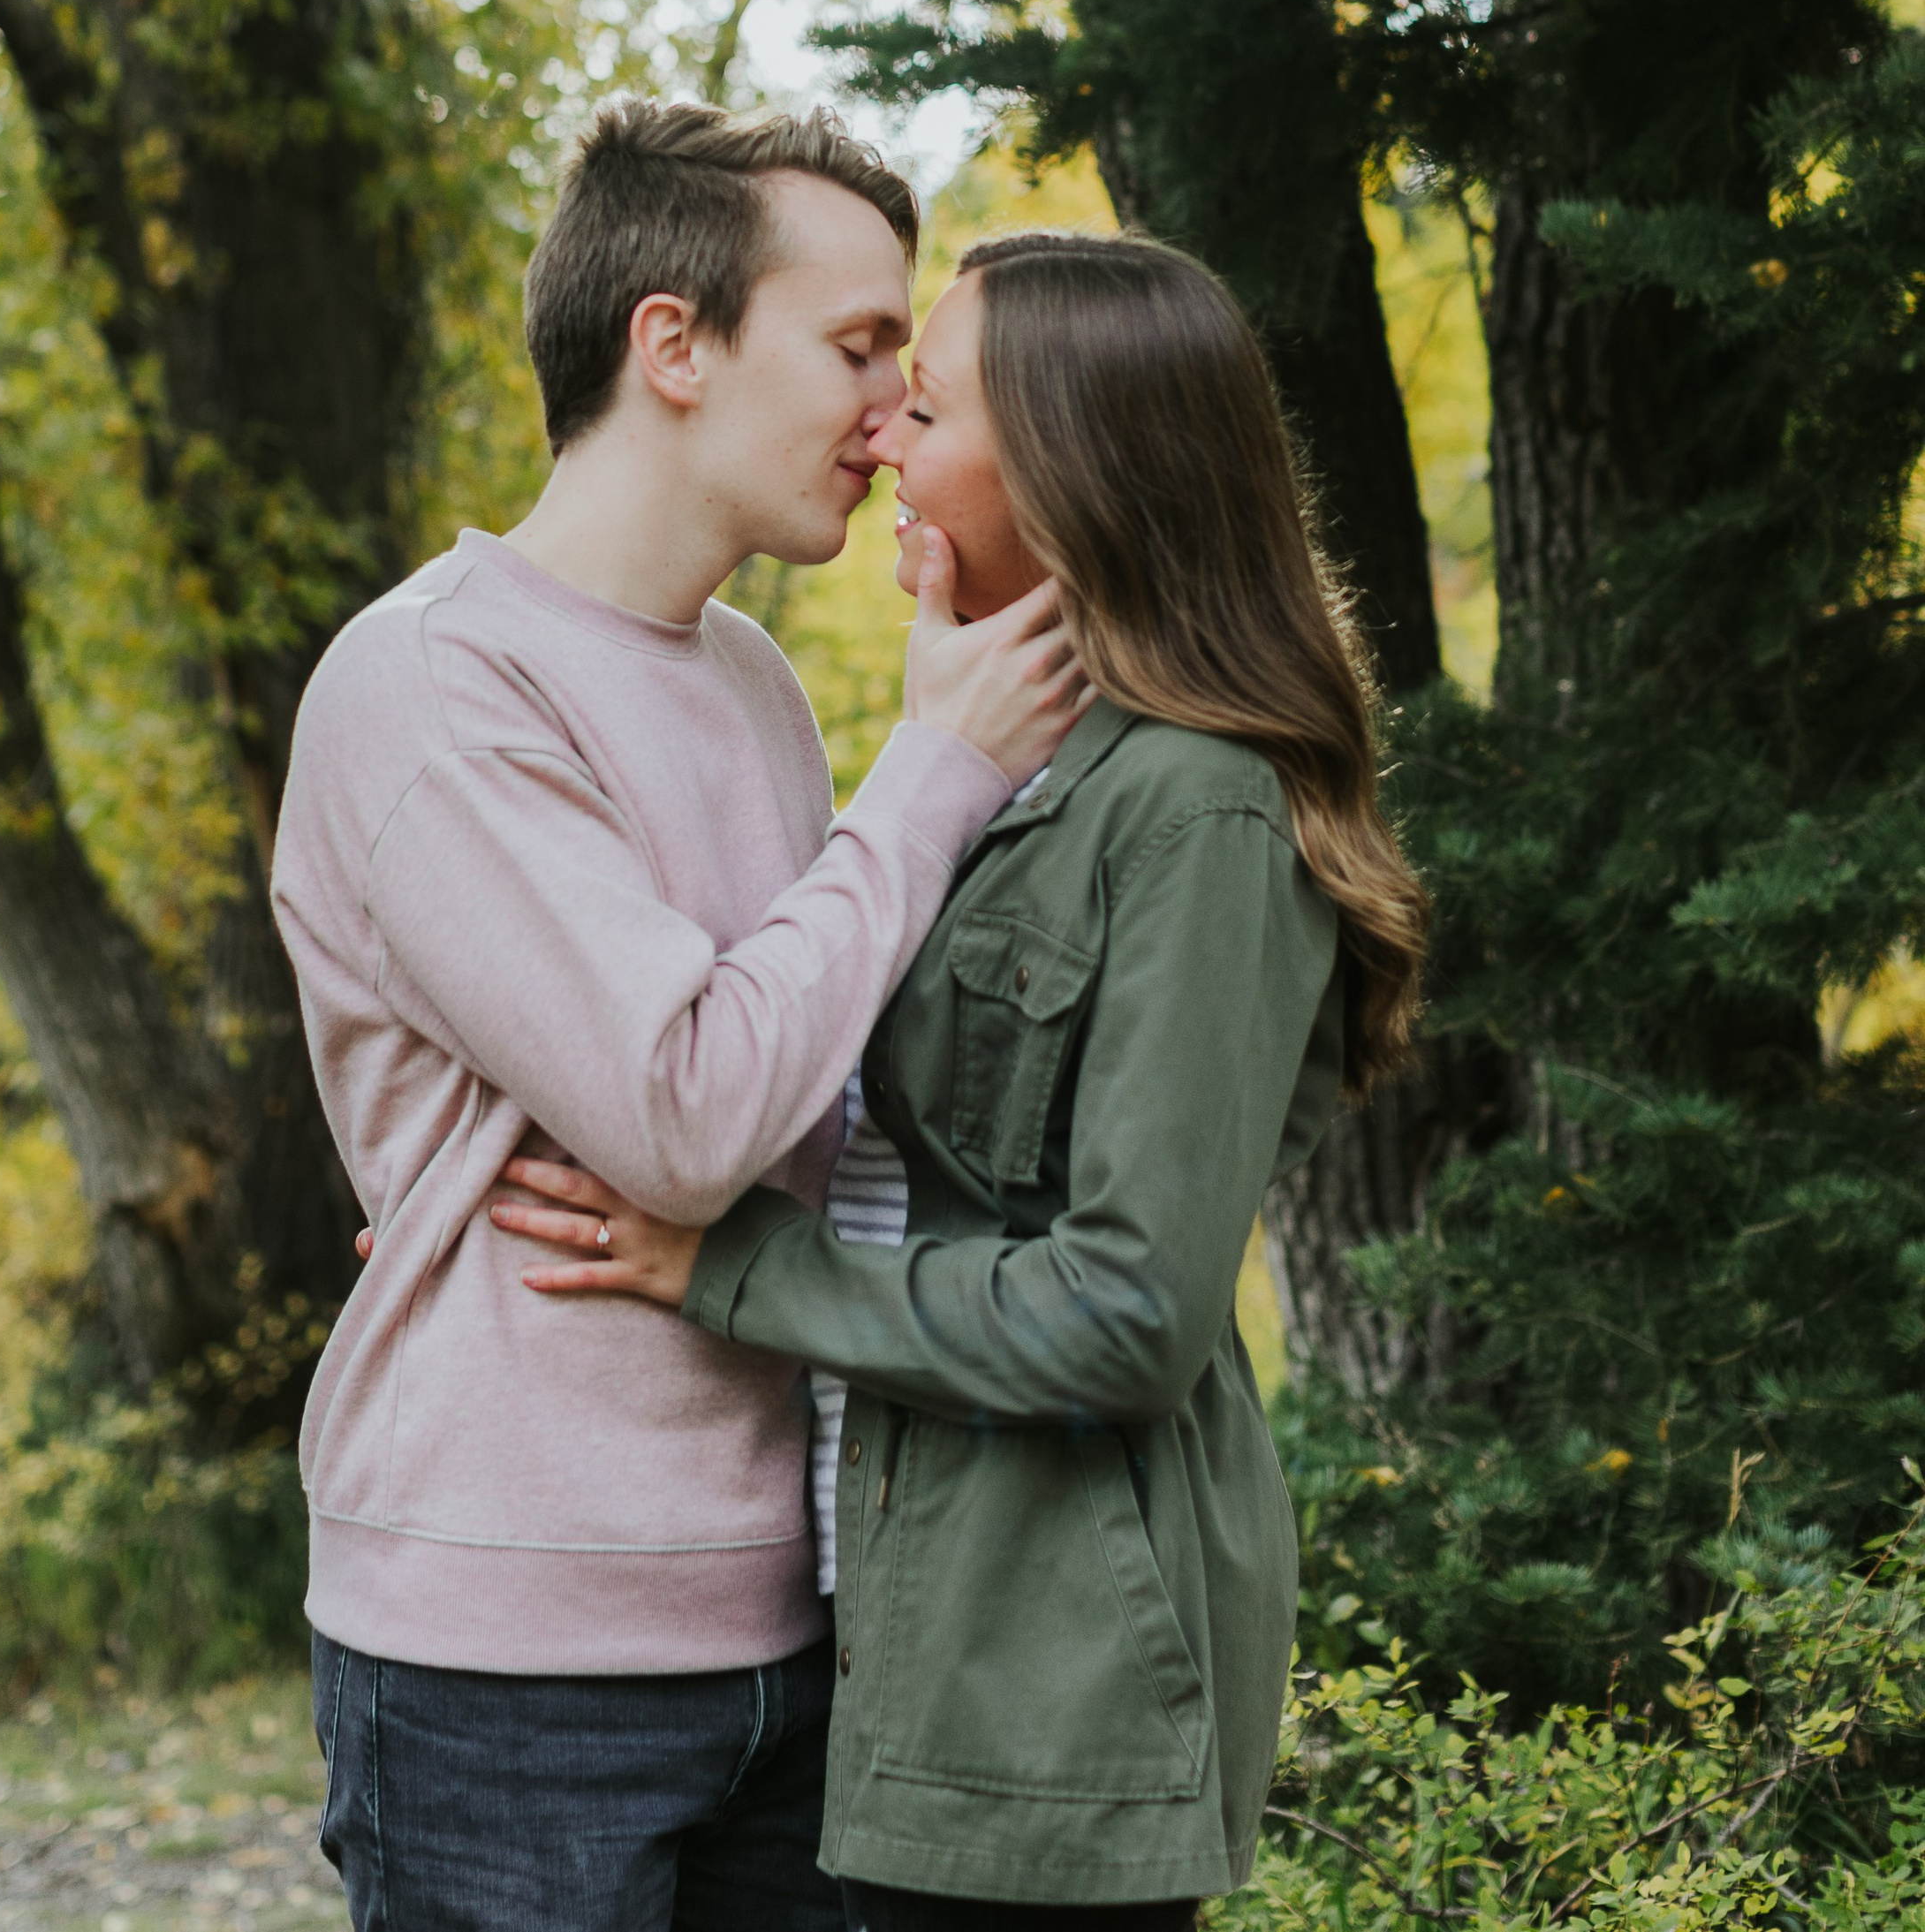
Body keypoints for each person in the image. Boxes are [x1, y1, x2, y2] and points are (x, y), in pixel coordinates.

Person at [491, 227, 1433, 1931]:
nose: (878, 436)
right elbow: (852, 1117)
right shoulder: (994, 768)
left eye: (923, 406)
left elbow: (1130, 1311)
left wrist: (733, 1267)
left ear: (1075, 468)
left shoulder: (1200, 809)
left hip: (1051, 1670)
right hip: (892, 1631)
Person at [271, 101, 1088, 1932]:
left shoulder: (755, 685)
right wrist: (938, 766)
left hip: (787, 1622)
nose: (891, 413)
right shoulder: (431, 681)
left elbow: (794, 1076)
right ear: (674, 343)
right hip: (503, 1658)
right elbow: (690, 1110)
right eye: (856, 345)